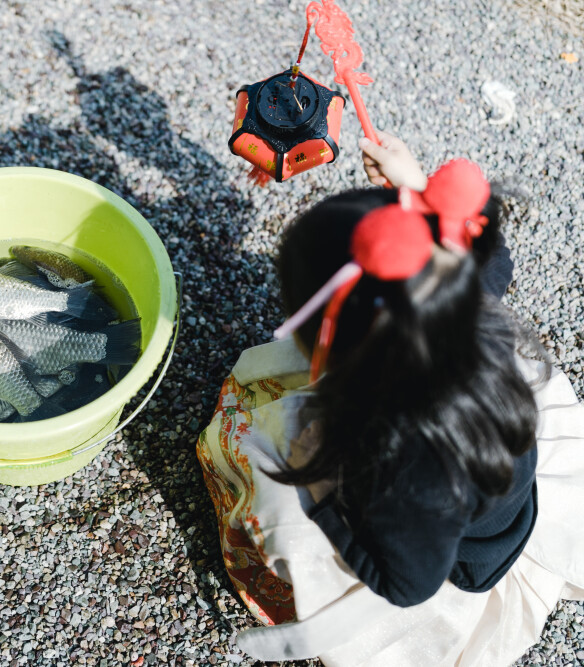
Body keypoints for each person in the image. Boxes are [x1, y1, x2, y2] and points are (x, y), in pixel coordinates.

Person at [196, 131, 584, 666]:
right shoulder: (461, 307)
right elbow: (487, 257)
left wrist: (323, 503)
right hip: (486, 470)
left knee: (278, 493)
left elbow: (408, 586)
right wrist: (418, 191)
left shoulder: (403, 465)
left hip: (464, 557)